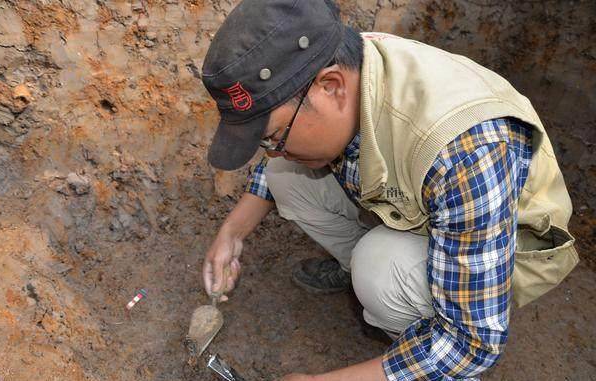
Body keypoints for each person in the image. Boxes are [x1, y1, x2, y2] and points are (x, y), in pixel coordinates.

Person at [199, 1, 579, 380]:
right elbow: (284, 145)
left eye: (273, 137)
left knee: (379, 270)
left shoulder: (467, 152)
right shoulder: (336, 63)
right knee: (286, 173)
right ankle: (385, 284)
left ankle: (414, 330)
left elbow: (472, 344)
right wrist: (232, 232)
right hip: (425, 204)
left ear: (331, 87)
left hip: (498, 249)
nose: (273, 150)